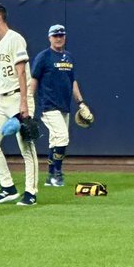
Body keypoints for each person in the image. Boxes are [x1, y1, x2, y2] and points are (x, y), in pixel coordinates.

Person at [0, 3, 39, 207]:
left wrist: (24, 103)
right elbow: (0, 76)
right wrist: (0, 100)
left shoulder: (15, 38)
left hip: (19, 97)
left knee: (26, 146)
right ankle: (8, 187)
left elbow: (21, 72)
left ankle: (31, 192)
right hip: (3, 99)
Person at [29, 23, 85, 188]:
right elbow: (34, 80)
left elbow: (72, 81)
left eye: (61, 35)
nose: (58, 38)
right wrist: (28, 102)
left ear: (65, 37)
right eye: (55, 35)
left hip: (64, 105)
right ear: (49, 38)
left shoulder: (69, 57)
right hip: (48, 105)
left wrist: (81, 102)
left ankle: (50, 176)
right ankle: (57, 174)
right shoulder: (44, 56)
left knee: (55, 140)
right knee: (62, 137)